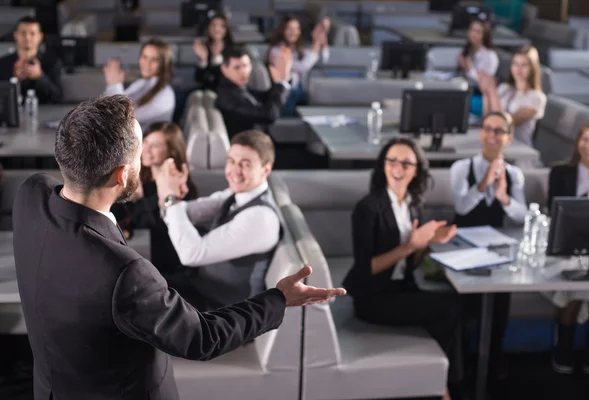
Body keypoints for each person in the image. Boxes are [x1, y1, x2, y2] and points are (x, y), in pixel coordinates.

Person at [12, 94, 345, 400]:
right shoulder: (126, 273)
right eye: (140, 154)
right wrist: (279, 299)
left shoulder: (31, 195)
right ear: (122, 175)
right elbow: (201, 337)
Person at [343, 138, 462, 400]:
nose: (398, 167)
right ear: (383, 165)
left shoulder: (412, 204)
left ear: (416, 169)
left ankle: (440, 381)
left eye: (406, 163)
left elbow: (411, 266)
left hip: (400, 287)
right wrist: (411, 245)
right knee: (448, 309)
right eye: (392, 161)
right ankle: (442, 387)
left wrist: (426, 242)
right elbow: (367, 268)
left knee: (457, 304)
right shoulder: (368, 208)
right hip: (372, 296)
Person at [155, 129, 284, 310]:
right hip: (200, 287)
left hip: (223, 311)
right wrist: (171, 196)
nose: (234, 171)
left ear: (266, 169)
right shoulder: (235, 194)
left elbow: (191, 254)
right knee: (138, 282)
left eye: (245, 164)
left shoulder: (260, 218)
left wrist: (171, 198)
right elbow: (182, 211)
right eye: (231, 161)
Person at [449, 111, 527, 381]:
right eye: (488, 129)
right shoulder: (461, 168)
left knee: (501, 299)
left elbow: (522, 215)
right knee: (463, 303)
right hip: (462, 246)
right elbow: (461, 206)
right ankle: (461, 363)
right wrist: (483, 185)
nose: (492, 136)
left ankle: (492, 357)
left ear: (509, 137)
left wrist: (504, 197)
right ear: (481, 133)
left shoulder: (515, 174)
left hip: (496, 247)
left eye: (499, 131)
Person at [547, 118, 589, 376]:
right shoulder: (561, 173)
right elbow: (557, 213)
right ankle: (563, 352)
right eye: (585, 140)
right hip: (570, 248)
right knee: (571, 298)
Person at [111, 121, 197, 272]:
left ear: (171, 150)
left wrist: (141, 198)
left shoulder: (182, 185)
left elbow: (160, 227)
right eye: (146, 142)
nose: (146, 149)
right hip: (137, 251)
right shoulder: (140, 176)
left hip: (166, 264)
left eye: (155, 145)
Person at [215, 46, 292, 138]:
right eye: (237, 67)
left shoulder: (236, 88)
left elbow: (263, 97)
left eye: (245, 66)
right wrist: (281, 84)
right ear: (224, 69)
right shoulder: (228, 95)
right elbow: (269, 115)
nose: (243, 71)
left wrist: (283, 79)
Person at [479, 45, 547, 147]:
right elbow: (487, 117)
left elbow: (502, 124)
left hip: (519, 150)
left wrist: (492, 91)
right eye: (515, 64)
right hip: (496, 145)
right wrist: (486, 93)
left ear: (533, 68)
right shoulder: (505, 88)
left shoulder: (537, 97)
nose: (518, 69)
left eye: (524, 65)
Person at [104, 38, 175, 130]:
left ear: (164, 63)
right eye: (144, 57)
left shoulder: (166, 94)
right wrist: (113, 85)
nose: (147, 63)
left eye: (154, 59)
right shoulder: (141, 83)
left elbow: (125, 118)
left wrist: (114, 85)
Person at [266, 15, 330, 115]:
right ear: (282, 30)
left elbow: (323, 59)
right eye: (289, 28)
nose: (293, 32)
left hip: (298, 90)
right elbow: (302, 67)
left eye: (296, 29)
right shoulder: (276, 50)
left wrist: (322, 37)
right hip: (285, 94)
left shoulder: (297, 49)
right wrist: (316, 43)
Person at [0, 16, 62, 104]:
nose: (27, 38)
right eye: (23, 33)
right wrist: (15, 80)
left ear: (40, 37)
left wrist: (40, 76)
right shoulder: (2, 63)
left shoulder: (52, 62)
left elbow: (57, 97)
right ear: (15, 35)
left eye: (32, 33)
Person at [456, 19, 498, 118]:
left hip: (479, 97)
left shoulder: (490, 56)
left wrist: (468, 69)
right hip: (467, 90)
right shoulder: (469, 50)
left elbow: (485, 84)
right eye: (472, 30)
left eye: (478, 32)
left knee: (456, 102)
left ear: (485, 35)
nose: (473, 34)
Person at [193, 12, 234, 92]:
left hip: (225, 92)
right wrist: (203, 60)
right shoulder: (205, 48)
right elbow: (198, 79)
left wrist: (217, 59)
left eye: (221, 26)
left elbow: (226, 79)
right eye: (213, 25)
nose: (216, 29)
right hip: (205, 91)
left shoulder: (232, 50)